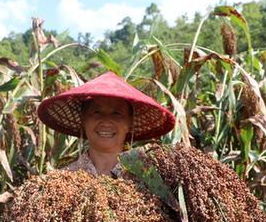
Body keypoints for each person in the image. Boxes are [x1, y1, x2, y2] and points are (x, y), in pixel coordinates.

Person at [37, 71, 176, 177]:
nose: (106, 121)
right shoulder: (63, 180)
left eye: (117, 114)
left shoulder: (147, 178)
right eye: (96, 112)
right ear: (83, 120)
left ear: (130, 123)